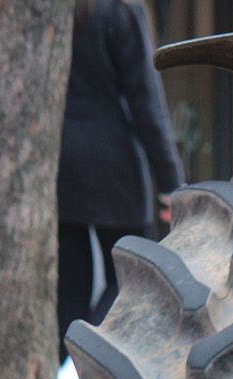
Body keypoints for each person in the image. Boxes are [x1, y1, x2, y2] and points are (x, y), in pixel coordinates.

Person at [57, 0, 185, 357]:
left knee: (71, 291)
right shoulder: (120, 9)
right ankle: (85, 367)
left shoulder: (53, 12)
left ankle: (68, 374)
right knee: (135, 277)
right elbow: (146, 102)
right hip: (114, 165)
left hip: (60, 162)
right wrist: (173, 184)